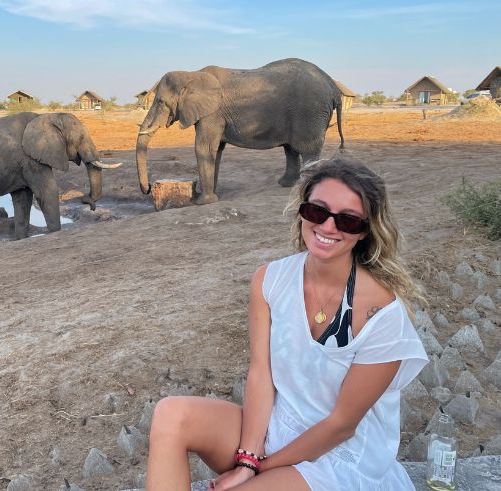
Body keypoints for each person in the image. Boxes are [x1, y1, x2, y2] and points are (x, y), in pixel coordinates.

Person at [145, 157, 429, 490]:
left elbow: (341, 425)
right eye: (317, 211)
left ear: (365, 231)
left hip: (340, 456)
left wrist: (258, 468)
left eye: (348, 221)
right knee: (171, 414)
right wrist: (248, 457)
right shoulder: (271, 279)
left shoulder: (381, 315)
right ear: (302, 210)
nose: (327, 227)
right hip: (279, 425)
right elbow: (260, 374)